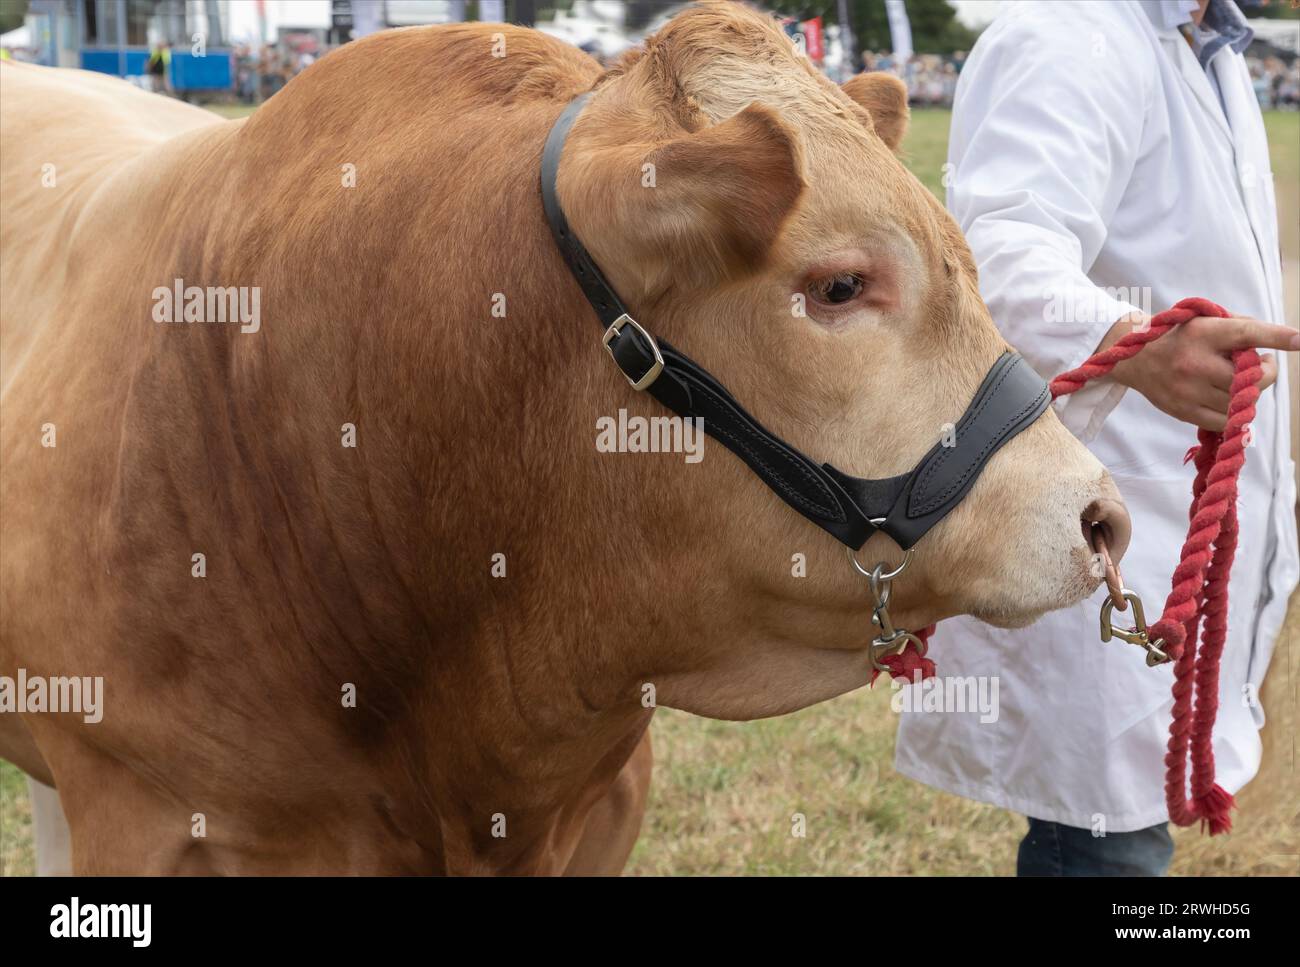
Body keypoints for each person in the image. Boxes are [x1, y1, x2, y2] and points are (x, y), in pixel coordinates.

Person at [894, 0, 1299, 876]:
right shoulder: (1069, 31)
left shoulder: (1208, 46)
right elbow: (996, 249)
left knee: (1119, 833)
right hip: (1107, 515)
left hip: (1168, 505)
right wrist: (1129, 341)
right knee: (1105, 848)